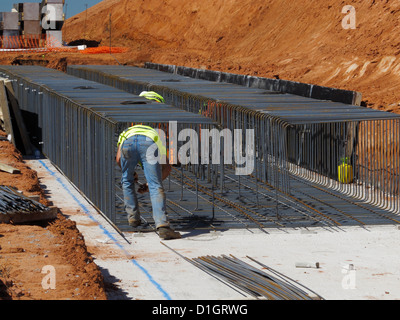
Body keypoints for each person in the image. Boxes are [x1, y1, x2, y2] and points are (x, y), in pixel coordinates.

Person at [116, 124, 181, 240]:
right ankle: (163, 226)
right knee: (155, 186)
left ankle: (133, 219)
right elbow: (167, 167)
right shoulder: (155, 135)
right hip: (148, 144)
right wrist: (150, 184)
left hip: (128, 144)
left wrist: (132, 174)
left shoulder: (125, 133)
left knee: (126, 180)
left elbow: (118, 159)